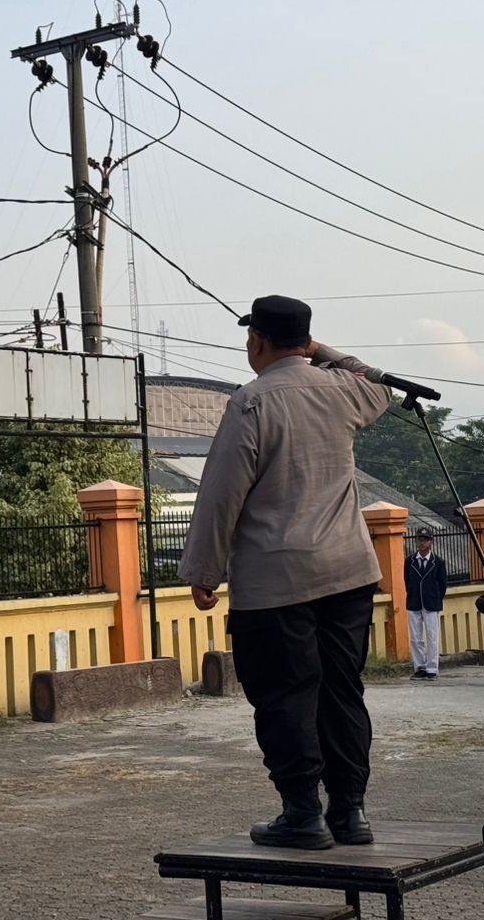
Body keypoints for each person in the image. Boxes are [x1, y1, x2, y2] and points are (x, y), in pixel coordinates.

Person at [179, 294, 392, 849]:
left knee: (285, 695)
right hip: (348, 573)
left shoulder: (250, 403)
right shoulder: (344, 390)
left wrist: (204, 568)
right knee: (342, 691)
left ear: (257, 341)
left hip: (276, 583)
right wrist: (321, 352)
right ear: (306, 340)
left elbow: (222, 493)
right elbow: (381, 384)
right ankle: (350, 811)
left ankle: (302, 812)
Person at [404, 532, 448, 680]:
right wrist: (412, 594)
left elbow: (442, 584)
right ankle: (419, 667)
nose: (422, 543)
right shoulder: (409, 561)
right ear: (416, 542)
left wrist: (435, 598)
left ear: (431, 542)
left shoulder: (438, 562)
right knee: (416, 638)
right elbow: (407, 581)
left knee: (432, 636)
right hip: (414, 602)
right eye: (420, 540)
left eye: (425, 540)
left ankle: (432, 668)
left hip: (432, 603)